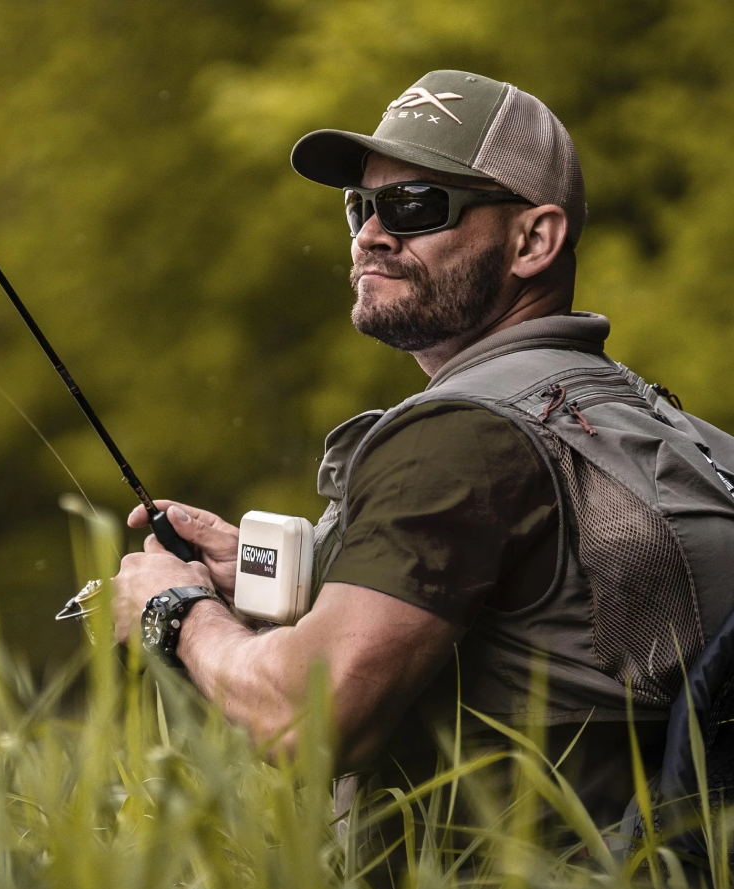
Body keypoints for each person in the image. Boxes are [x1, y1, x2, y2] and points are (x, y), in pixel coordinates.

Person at [110, 70, 734, 829]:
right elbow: (549, 618)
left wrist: (176, 612)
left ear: (533, 240)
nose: (372, 234)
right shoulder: (663, 426)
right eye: (360, 207)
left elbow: (307, 719)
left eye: (413, 207)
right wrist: (289, 571)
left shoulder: (462, 438)